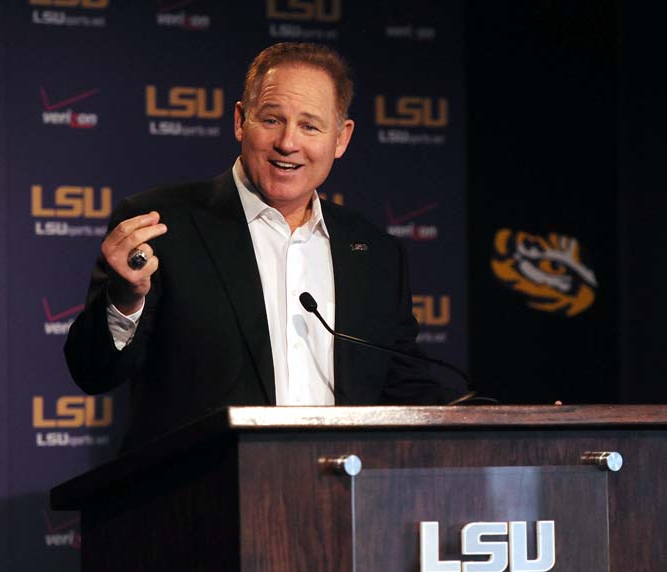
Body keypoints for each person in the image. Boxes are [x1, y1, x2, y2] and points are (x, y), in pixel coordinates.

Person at [65, 42, 452, 453]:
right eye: (272, 120)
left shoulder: (375, 253)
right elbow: (94, 372)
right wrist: (124, 300)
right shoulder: (162, 226)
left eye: (310, 126)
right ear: (240, 121)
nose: (288, 143)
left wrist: (491, 423)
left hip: (341, 496)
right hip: (199, 500)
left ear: (341, 139)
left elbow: (405, 388)